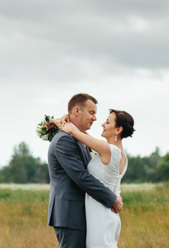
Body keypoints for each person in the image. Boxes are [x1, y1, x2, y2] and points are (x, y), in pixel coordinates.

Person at [47, 93, 124, 248]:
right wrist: (111, 198)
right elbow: (81, 177)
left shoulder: (77, 137)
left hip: (80, 213)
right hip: (70, 213)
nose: (95, 118)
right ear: (77, 111)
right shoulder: (64, 140)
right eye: (91, 113)